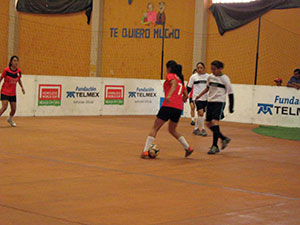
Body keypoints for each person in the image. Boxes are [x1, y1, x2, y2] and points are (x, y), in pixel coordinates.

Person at [141, 61, 193, 158]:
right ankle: (187, 147)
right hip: (178, 108)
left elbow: (174, 84)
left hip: (168, 105)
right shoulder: (180, 79)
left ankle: (145, 151)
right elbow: (186, 95)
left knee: (155, 128)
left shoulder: (171, 75)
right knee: (172, 130)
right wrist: (183, 99)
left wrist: (169, 95)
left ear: (169, 68)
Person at [196, 60, 234, 154]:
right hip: (210, 102)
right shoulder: (210, 77)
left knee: (215, 122)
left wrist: (231, 106)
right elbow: (208, 88)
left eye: (214, 69)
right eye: (211, 69)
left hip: (219, 102)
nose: (213, 71)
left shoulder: (225, 79)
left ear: (220, 69)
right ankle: (223, 138)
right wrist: (199, 95)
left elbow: (230, 93)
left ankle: (214, 146)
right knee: (208, 123)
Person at [0, 56, 25, 127]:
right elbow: (1, 78)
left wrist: (22, 87)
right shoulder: (6, 70)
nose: (16, 62)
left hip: (13, 93)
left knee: (14, 109)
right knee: (4, 106)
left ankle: (10, 119)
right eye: (14, 61)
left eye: (17, 61)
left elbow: (19, 79)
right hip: (4, 91)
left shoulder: (19, 71)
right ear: (11, 62)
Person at [187, 62, 209, 136]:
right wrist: (185, 96)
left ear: (204, 68)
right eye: (198, 68)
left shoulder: (208, 77)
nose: (199, 69)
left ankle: (196, 129)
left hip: (205, 98)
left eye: (201, 68)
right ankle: (203, 129)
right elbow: (189, 88)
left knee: (200, 115)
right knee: (201, 113)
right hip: (196, 98)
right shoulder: (193, 77)